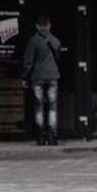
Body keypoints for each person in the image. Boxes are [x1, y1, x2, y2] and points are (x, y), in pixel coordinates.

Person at [20, 13, 63, 145]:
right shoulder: (56, 41)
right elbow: (58, 60)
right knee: (52, 107)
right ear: (49, 25)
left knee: (39, 107)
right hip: (53, 76)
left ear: (37, 26)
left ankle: (40, 136)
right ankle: (52, 137)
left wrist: (24, 76)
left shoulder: (33, 41)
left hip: (37, 77)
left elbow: (28, 62)